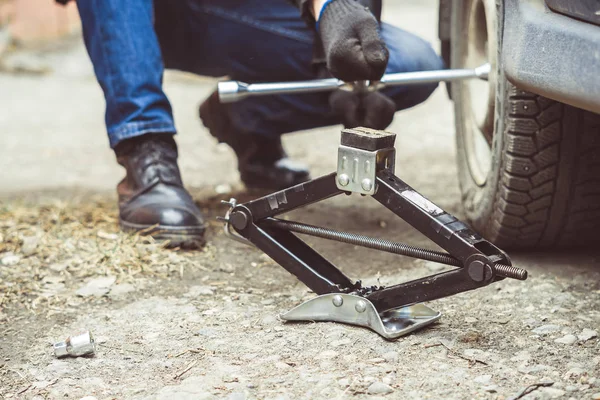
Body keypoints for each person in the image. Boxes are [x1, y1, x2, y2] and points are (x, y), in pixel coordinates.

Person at [63, 0, 443, 247]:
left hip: (245, 11)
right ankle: (145, 147)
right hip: (142, 14)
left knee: (412, 66)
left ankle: (246, 115)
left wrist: (334, 13)